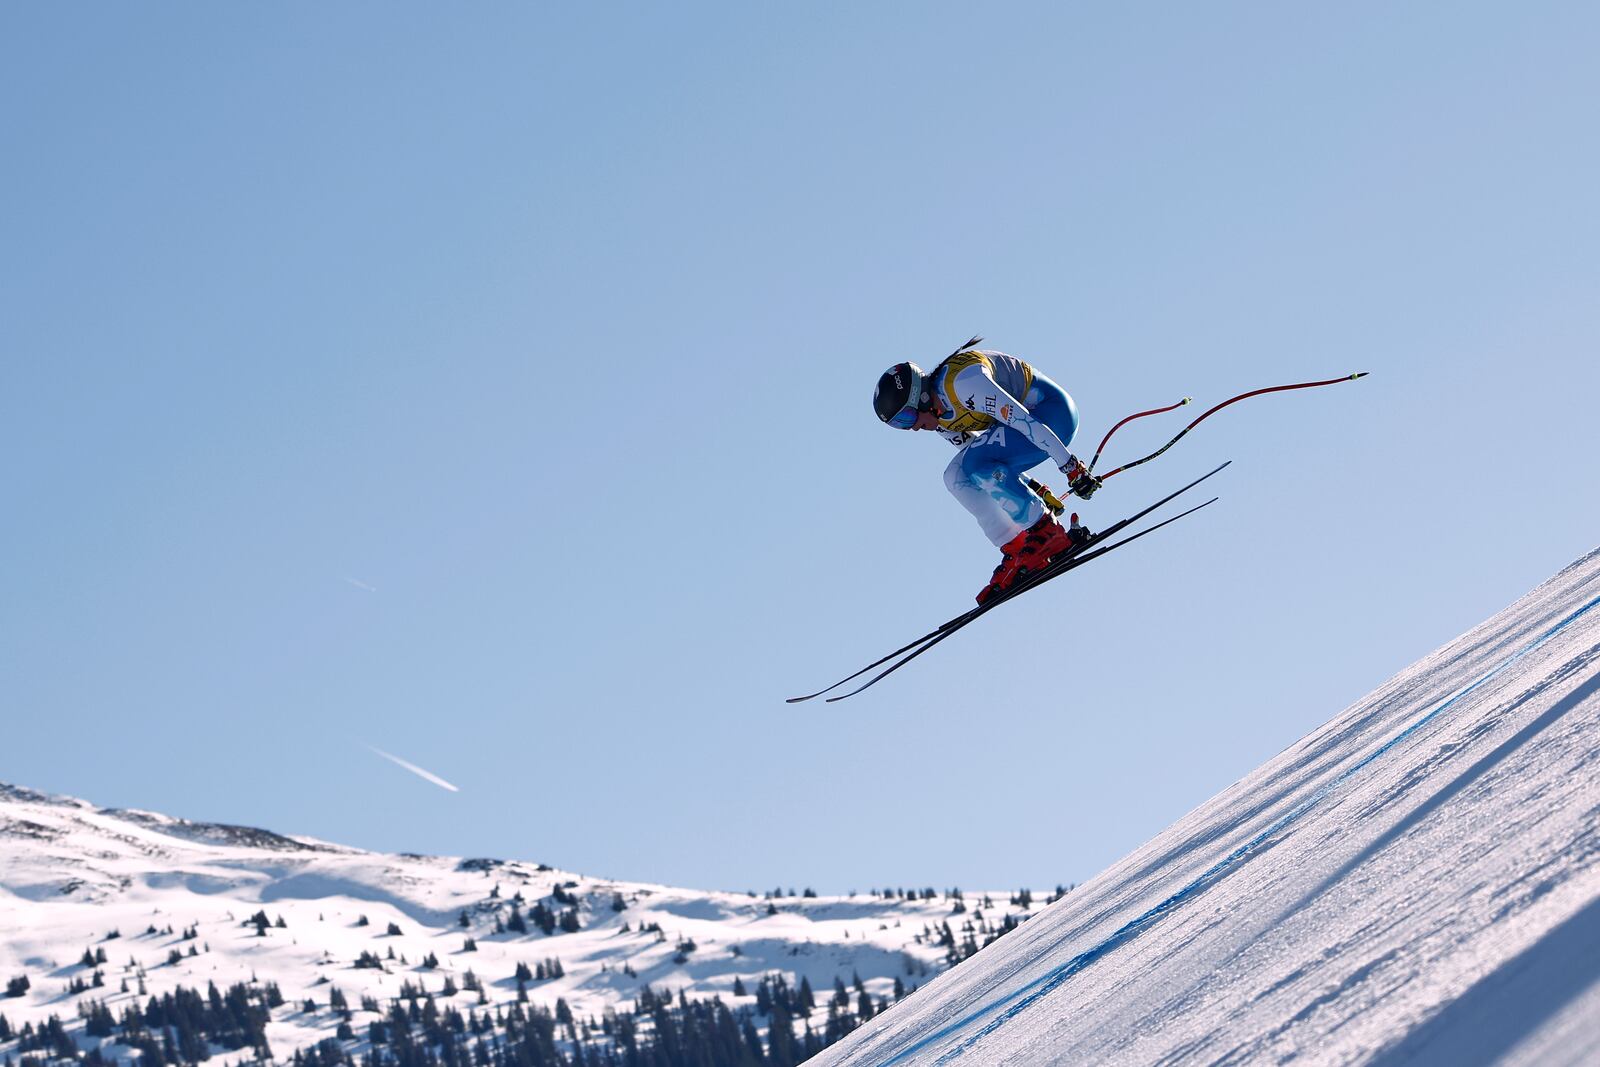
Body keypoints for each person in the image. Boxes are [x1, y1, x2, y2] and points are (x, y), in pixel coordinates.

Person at [873, 337, 1103, 604]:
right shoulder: (939, 418)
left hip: (1053, 416)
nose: (911, 428)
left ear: (922, 397)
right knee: (956, 475)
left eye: (906, 418)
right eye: (900, 426)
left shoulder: (964, 385)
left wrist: (1071, 468)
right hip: (1024, 431)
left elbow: (1022, 420)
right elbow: (987, 457)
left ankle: (1046, 531)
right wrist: (1035, 488)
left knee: (973, 465)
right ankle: (1016, 544)